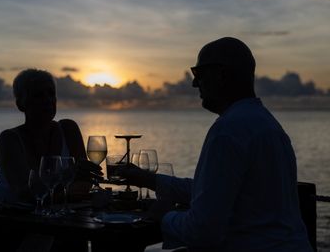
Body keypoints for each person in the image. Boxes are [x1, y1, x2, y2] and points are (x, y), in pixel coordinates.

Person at [123, 37, 313, 252]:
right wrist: (151, 180)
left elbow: (203, 231)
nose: (195, 83)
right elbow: (218, 191)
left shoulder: (228, 130)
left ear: (221, 75)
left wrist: (164, 218)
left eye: (199, 74)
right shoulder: (266, 123)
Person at [0, 68, 101, 252]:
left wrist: (63, 191)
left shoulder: (68, 129)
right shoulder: (10, 138)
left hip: (52, 214)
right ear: (21, 104)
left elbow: (84, 182)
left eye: (51, 94)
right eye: (38, 95)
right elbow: (25, 193)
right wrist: (69, 179)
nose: (48, 100)